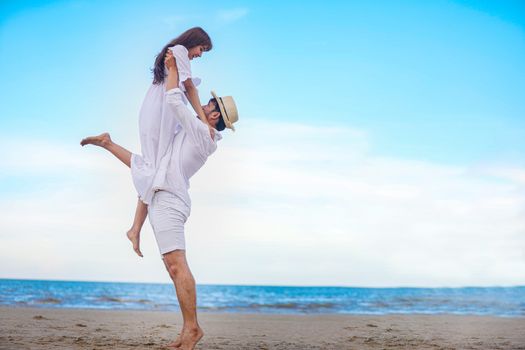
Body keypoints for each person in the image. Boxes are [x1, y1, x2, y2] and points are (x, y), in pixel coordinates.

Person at [80, 50, 239, 349]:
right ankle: (187, 330)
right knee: (172, 264)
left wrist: (173, 71)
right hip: (162, 194)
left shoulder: (203, 136)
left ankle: (192, 329)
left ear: (214, 114)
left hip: (170, 200)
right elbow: (186, 102)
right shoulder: (199, 130)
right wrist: (188, 83)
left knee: (177, 265)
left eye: (208, 105)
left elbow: (174, 101)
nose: (202, 105)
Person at [82, 27, 213, 258]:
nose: (200, 55)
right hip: (162, 114)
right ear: (194, 41)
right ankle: (134, 228)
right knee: (154, 170)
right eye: (202, 49)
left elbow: (184, 87)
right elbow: (190, 89)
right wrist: (203, 123)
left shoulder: (173, 51)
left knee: (152, 169)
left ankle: (134, 227)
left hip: (154, 112)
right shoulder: (180, 51)